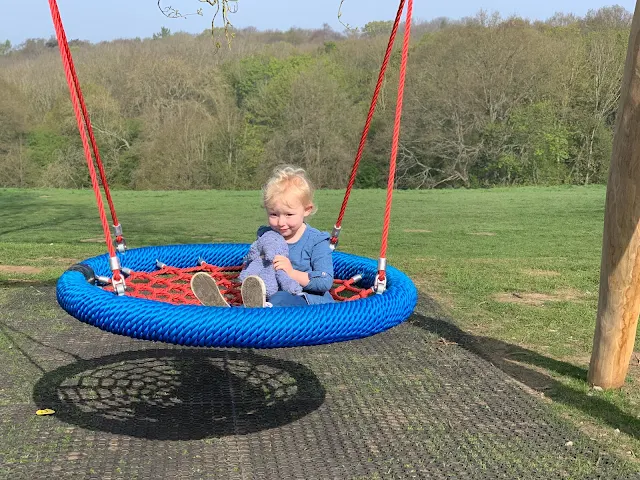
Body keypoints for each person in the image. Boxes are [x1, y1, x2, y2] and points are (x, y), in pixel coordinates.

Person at [191, 165, 335, 307]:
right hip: (269, 296)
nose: (281, 222)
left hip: (308, 303)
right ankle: (232, 312)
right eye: (274, 214)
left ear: (306, 210)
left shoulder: (316, 241)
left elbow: (324, 281)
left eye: (289, 214)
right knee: (264, 298)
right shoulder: (267, 236)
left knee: (281, 298)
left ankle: (249, 313)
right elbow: (253, 261)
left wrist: (291, 272)